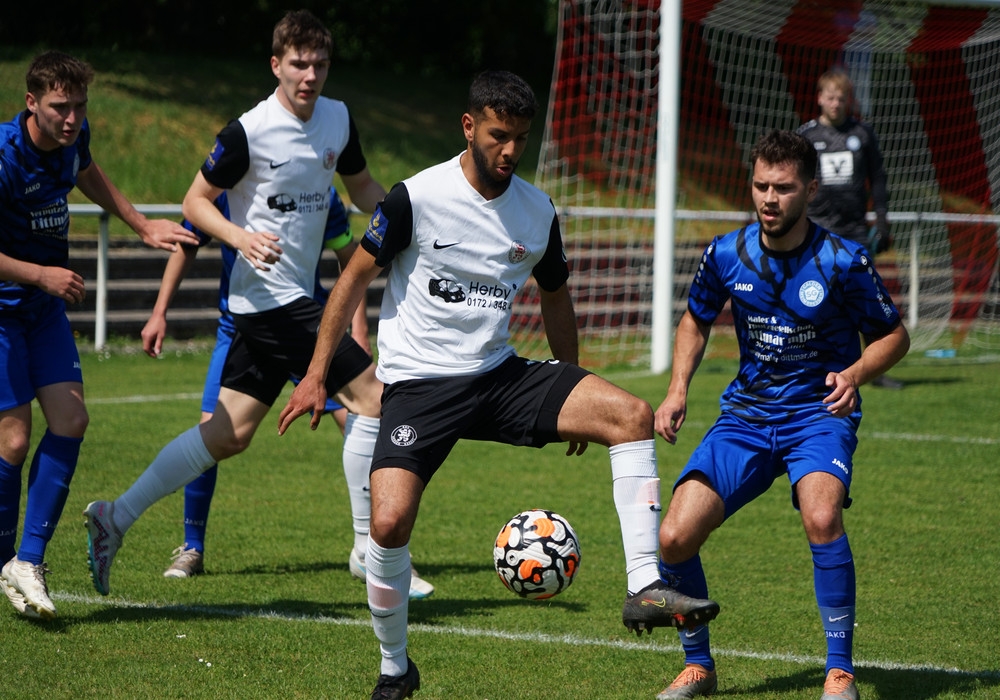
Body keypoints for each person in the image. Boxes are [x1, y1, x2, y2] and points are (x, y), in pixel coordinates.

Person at [277, 70, 721, 700]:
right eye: (497, 136)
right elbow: (351, 280)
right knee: (388, 524)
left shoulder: (537, 211)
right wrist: (317, 373)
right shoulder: (415, 198)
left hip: (498, 376)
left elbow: (556, 296)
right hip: (420, 387)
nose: (509, 150)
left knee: (630, 415)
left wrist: (571, 381)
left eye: (520, 139)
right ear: (469, 127)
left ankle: (645, 584)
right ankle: (395, 668)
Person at [83, 9, 398, 599]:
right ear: (276, 65)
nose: (310, 75)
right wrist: (240, 238)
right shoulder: (247, 132)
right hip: (270, 301)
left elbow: (361, 188)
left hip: (279, 305)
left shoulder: (337, 119)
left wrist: (407, 216)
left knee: (228, 435)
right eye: (299, 64)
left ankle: (114, 517)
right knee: (375, 401)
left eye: (320, 64)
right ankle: (368, 550)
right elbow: (194, 203)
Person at [649, 129, 909, 700]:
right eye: (761, 185)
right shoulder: (726, 253)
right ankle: (699, 666)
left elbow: (894, 335)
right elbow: (695, 319)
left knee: (822, 517)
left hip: (817, 415)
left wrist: (854, 374)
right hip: (746, 417)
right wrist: (677, 390)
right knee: (674, 536)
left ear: (810, 190)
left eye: (784, 188)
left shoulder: (842, 260)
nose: (769, 198)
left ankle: (839, 672)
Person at [139, 187, 433, 598]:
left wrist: (358, 330)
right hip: (242, 330)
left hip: (306, 329)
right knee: (214, 432)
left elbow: (349, 255)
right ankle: (192, 547)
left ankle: (377, 548)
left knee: (364, 417)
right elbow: (187, 241)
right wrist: (159, 311)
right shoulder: (230, 188)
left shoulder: (322, 190)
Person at [0, 51, 200, 619]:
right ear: (31, 103)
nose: (72, 118)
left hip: (42, 311)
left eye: (80, 107)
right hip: (3, 311)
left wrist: (142, 224)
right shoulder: (5, 158)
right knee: (12, 442)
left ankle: (28, 561)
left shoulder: (73, 140)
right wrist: (41, 274)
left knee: (71, 420)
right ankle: (4, 560)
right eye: (60, 107)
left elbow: (88, 172)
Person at [797, 68, 902, 390]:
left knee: (865, 299)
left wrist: (881, 219)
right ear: (819, 98)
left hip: (855, 231)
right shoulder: (806, 136)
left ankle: (874, 370)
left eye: (841, 98)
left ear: (848, 101)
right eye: (830, 97)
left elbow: (878, 177)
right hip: (816, 229)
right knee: (811, 295)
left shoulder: (862, 133)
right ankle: (808, 364)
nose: (836, 103)